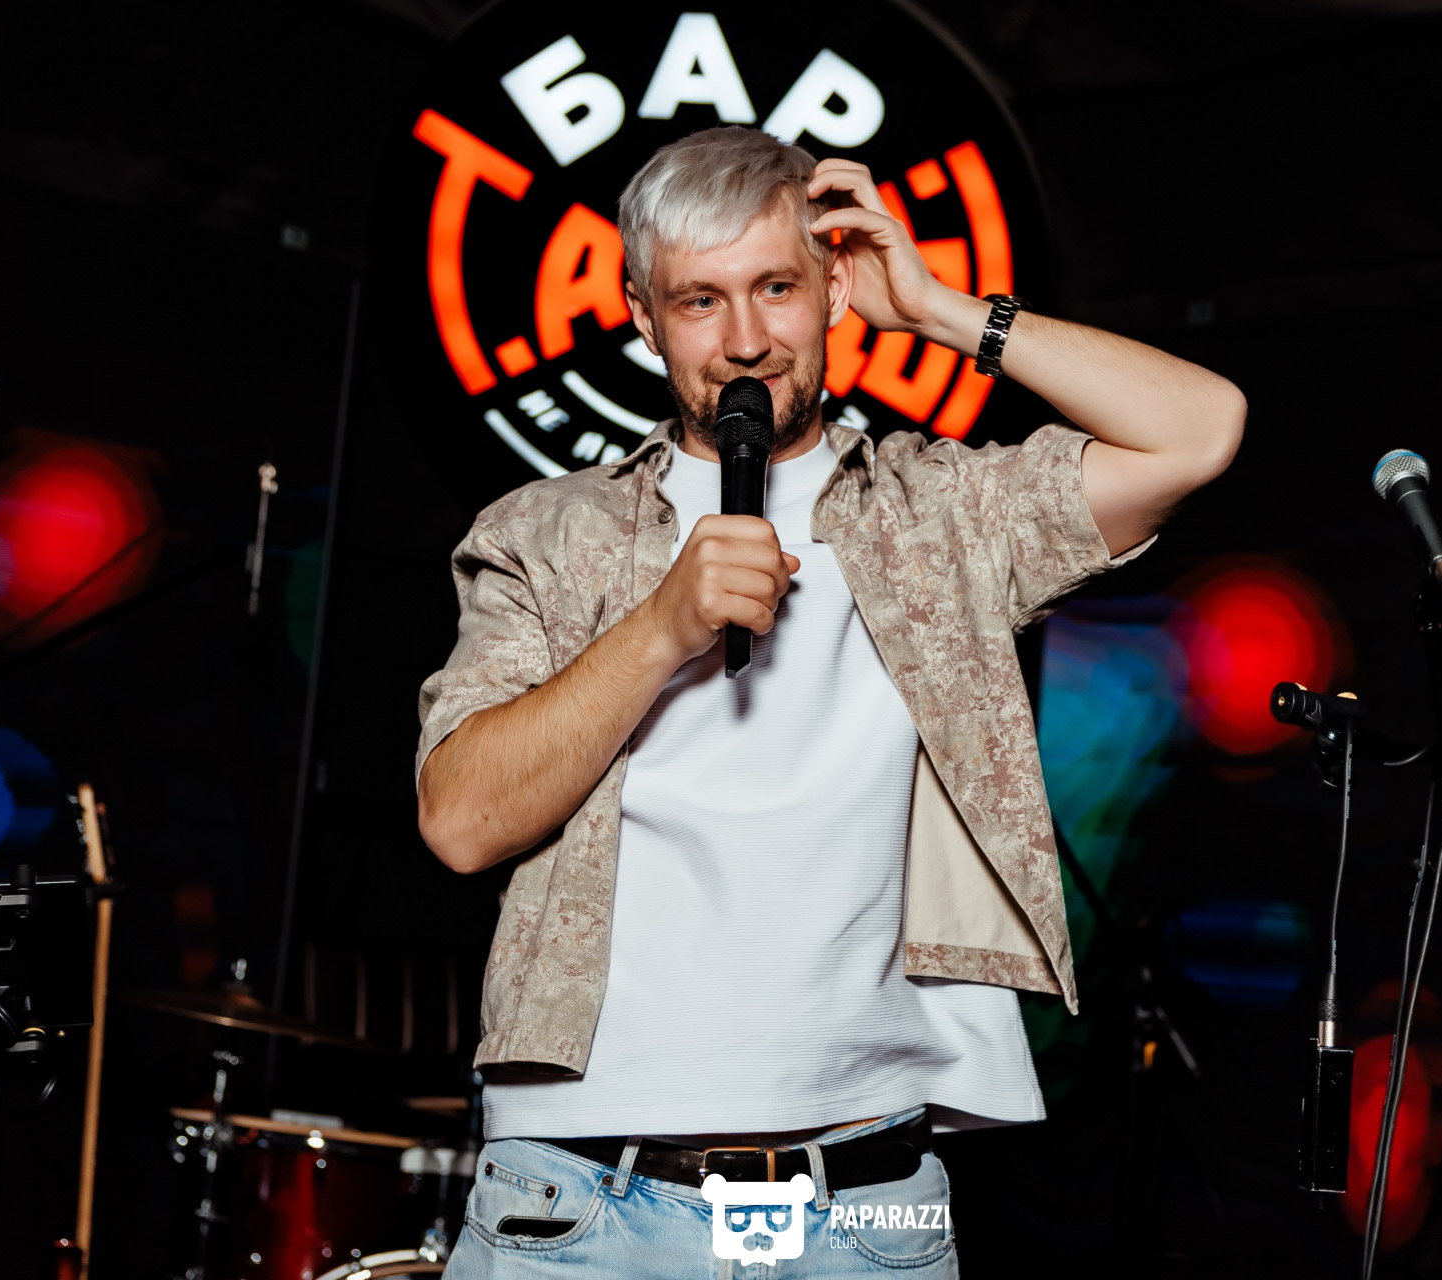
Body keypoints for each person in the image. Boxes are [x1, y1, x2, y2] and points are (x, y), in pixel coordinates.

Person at [415, 125, 1244, 1277]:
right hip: (583, 1193)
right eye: (700, 300)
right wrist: (663, 625)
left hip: (863, 1205)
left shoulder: (941, 513)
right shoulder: (543, 534)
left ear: (833, 289)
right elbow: (460, 818)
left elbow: (1200, 429)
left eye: (777, 287)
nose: (746, 339)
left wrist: (944, 311)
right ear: (644, 316)